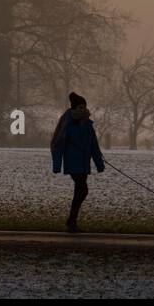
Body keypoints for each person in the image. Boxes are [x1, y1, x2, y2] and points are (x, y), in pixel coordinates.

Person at [49, 91, 105, 232]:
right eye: (80, 107)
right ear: (74, 108)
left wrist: (99, 163)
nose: (83, 109)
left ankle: (71, 221)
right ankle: (71, 221)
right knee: (82, 189)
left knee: (81, 191)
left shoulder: (88, 124)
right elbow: (57, 144)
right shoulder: (67, 124)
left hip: (84, 163)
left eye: (84, 106)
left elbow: (94, 145)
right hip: (73, 163)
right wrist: (57, 165)